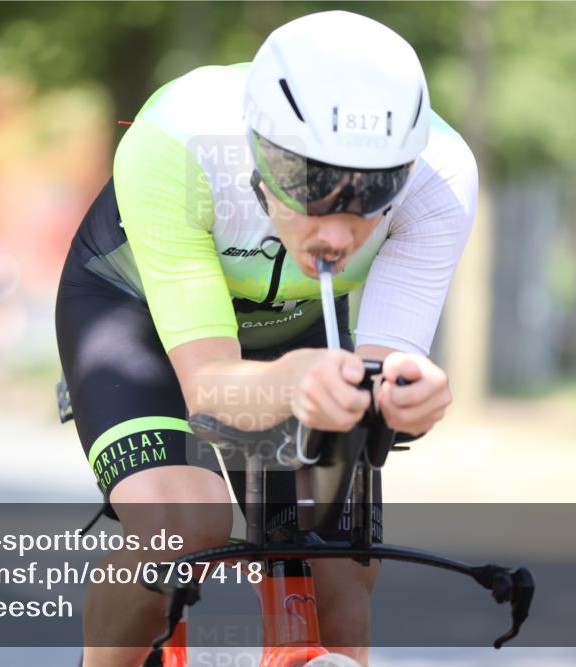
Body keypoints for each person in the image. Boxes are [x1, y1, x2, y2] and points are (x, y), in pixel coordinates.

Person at [56, 10, 477, 666]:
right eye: (311, 184)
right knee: (180, 529)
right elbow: (209, 391)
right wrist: (295, 383)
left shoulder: (441, 178)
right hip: (136, 316)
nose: (336, 231)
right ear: (260, 152)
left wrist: (403, 398)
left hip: (294, 325)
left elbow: (383, 370)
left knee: (338, 569)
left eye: (374, 192)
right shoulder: (175, 139)